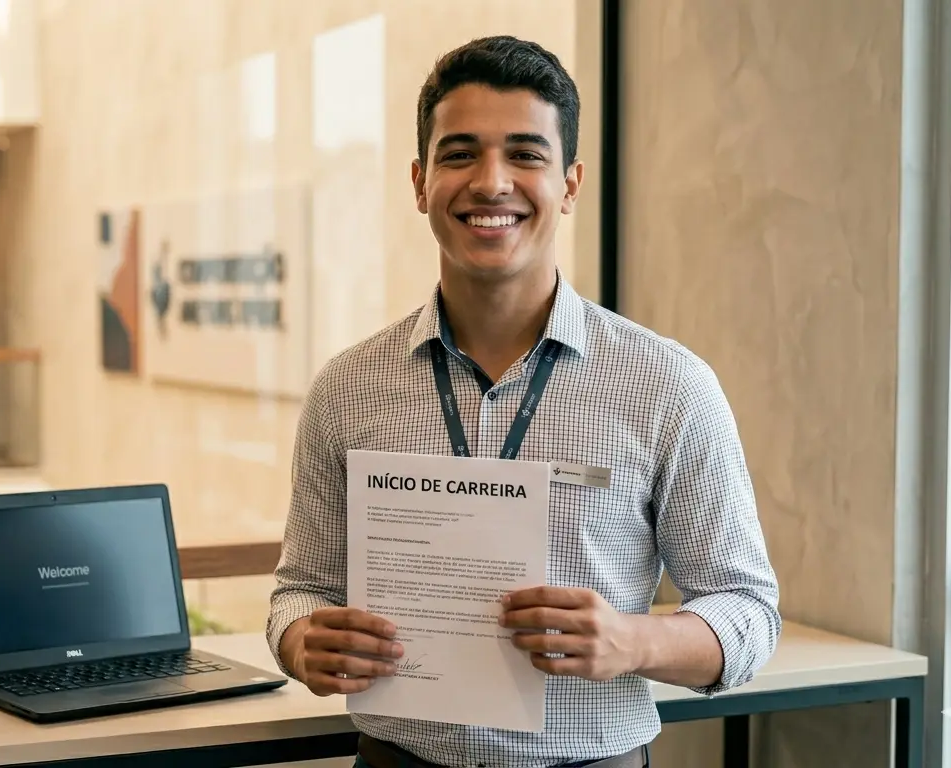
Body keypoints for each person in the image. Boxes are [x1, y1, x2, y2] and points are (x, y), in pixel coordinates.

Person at [266, 36, 781, 768]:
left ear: (570, 184)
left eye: (526, 155)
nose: (491, 182)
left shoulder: (670, 386)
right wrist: (301, 640)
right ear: (419, 183)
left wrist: (635, 640)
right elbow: (301, 588)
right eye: (460, 154)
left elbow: (749, 614)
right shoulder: (346, 389)